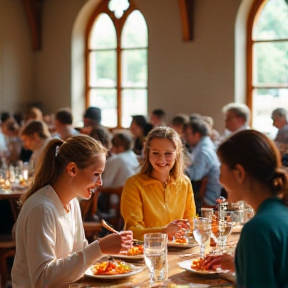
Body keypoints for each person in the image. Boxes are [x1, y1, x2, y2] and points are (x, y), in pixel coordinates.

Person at [12, 135, 133, 288]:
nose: (100, 182)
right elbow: (42, 279)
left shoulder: (72, 202)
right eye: (96, 174)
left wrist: (108, 254)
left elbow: (79, 256)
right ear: (72, 169)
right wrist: (99, 248)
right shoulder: (42, 208)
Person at [217, 130, 288, 288]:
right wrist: (242, 268)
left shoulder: (257, 229)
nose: (219, 179)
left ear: (239, 174)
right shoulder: (281, 212)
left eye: (221, 169)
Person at [121, 126, 196, 240]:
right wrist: (164, 232)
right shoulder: (134, 184)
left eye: (168, 154)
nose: (162, 159)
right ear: (147, 153)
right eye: (155, 153)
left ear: (177, 154)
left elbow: (191, 224)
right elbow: (133, 231)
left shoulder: (185, 182)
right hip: (146, 251)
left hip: (178, 249)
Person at [184, 119, 222, 208]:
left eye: (188, 135)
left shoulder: (203, 150)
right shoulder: (205, 145)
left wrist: (178, 168)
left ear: (197, 135)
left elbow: (196, 175)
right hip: (206, 192)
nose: (186, 138)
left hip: (209, 197)